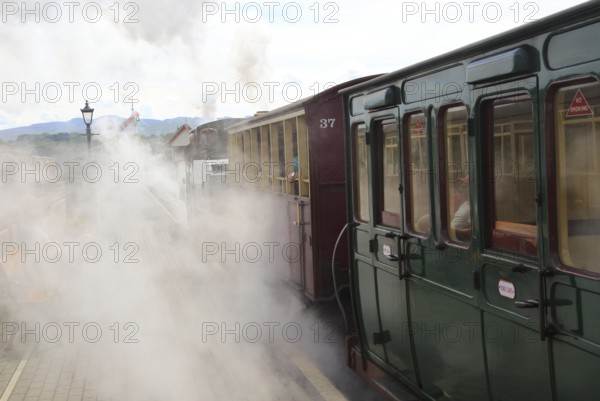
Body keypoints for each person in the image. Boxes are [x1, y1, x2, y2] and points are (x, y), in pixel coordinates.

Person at [450, 175, 471, 241]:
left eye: (464, 186)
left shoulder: (475, 207)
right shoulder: (465, 203)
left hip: (458, 241)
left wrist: (451, 232)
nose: (460, 189)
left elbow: (476, 231)